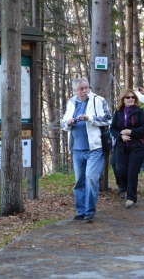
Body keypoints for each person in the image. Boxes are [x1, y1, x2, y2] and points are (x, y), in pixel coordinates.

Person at [61, 78, 112, 223]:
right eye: (81, 89)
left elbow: (108, 119)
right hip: (77, 149)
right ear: (75, 91)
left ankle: (90, 211)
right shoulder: (72, 103)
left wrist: (89, 118)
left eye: (86, 88)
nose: (85, 91)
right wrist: (68, 123)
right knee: (80, 181)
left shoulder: (98, 100)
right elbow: (63, 123)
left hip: (94, 148)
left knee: (91, 178)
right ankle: (81, 211)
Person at [110, 89, 144, 208]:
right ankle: (126, 188)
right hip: (122, 147)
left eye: (133, 97)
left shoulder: (139, 112)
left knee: (132, 172)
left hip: (137, 147)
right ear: (123, 100)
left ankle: (131, 198)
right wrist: (121, 136)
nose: (131, 99)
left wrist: (131, 132)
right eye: (128, 97)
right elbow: (112, 129)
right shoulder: (118, 113)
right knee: (120, 170)